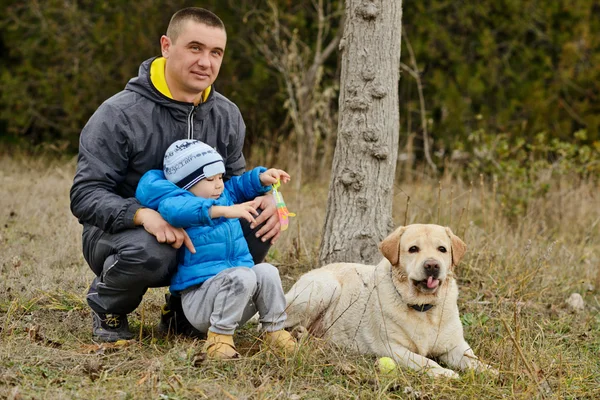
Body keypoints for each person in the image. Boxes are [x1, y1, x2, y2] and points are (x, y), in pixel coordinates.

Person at [69, 7, 282, 342]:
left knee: (257, 222)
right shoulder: (118, 114)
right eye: (194, 48)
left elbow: (236, 183)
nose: (205, 62)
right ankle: (109, 306)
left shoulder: (226, 115)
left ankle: (187, 311)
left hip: (197, 225)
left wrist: (268, 201)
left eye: (216, 53)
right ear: (166, 46)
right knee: (155, 247)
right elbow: (85, 194)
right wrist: (142, 215)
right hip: (126, 233)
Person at [136, 139, 297, 359]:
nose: (219, 184)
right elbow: (179, 212)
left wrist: (261, 178)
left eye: (220, 177)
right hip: (200, 300)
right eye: (210, 179)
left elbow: (239, 185)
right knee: (241, 276)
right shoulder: (176, 201)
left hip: (236, 291)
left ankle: (274, 330)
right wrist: (222, 211)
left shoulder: (223, 194)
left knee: (267, 272)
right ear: (187, 183)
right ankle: (218, 340)